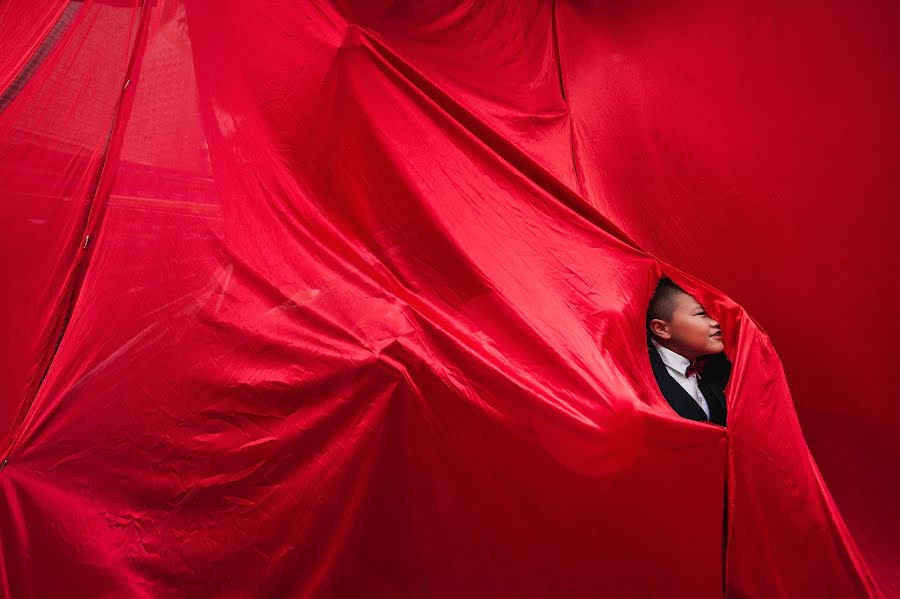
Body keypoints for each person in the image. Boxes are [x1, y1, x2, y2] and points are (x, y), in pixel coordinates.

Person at [646, 277, 731, 426]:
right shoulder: (640, 376)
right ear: (661, 328)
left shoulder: (723, 367)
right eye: (701, 314)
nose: (716, 321)